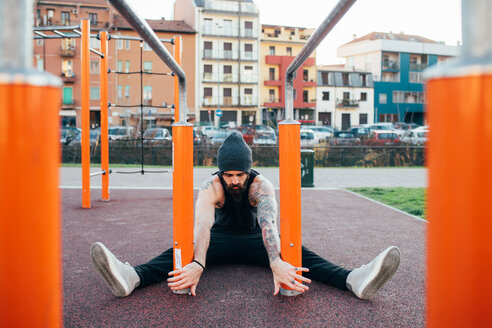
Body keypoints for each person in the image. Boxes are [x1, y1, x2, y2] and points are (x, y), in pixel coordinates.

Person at [91, 131, 400, 299]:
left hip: (255, 241)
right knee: (178, 250)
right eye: (229, 174)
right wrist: (198, 263)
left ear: (249, 170)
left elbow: (269, 223)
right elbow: (202, 225)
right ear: (221, 171)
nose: (235, 180)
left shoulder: (260, 185)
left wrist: (276, 261)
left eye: (240, 173)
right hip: (218, 241)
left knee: (301, 255)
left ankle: (353, 280)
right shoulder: (211, 186)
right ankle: (132, 277)